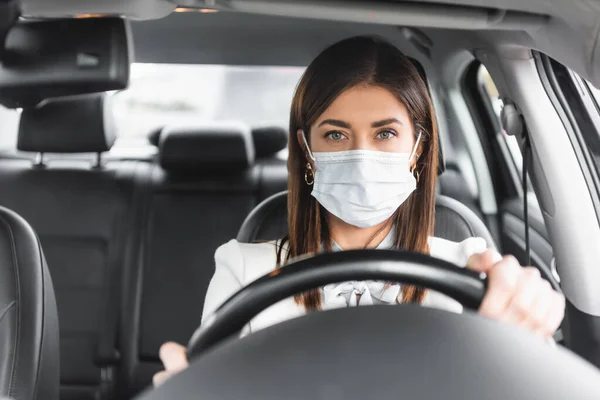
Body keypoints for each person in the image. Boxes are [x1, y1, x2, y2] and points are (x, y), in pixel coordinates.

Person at [153, 35, 565, 386]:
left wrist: (528, 323)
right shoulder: (243, 269)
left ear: (417, 150)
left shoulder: (472, 271)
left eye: (385, 133)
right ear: (307, 150)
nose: (361, 155)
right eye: (335, 134)